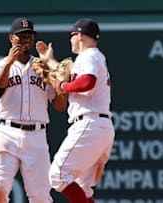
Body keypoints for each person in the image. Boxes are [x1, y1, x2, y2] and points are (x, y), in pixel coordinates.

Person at [0, 17, 67, 203]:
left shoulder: (42, 67)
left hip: (36, 136)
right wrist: (9, 63)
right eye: (20, 37)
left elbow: (60, 106)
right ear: (11, 38)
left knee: (40, 197)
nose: (25, 40)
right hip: (7, 133)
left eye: (29, 36)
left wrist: (60, 80)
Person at [35, 18, 115, 203]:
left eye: (71, 36)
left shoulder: (89, 55)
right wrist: (49, 60)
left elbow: (88, 82)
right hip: (99, 126)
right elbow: (71, 74)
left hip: (89, 124)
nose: (70, 40)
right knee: (83, 189)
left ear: (78, 35)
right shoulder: (92, 57)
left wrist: (62, 85)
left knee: (58, 174)